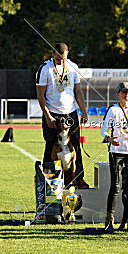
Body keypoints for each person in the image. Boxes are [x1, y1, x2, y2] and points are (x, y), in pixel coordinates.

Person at [36, 42, 89, 189]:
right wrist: (47, 116)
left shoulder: (73, 67)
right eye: (58, 59)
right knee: (50, 146)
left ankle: (78, 179)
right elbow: (40, 95)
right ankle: (49, 180)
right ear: (53, 54)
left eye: (64, 59)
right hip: (52, 113)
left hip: (70, 113)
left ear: (68, 54)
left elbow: (78, 92)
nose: (61, 62)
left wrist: (83, 112)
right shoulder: (45, 69)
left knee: (76, 147)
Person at [101, 82, 128, 230]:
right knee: (115, 186)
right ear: (119, 93)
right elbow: (104, 130)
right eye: (124, 92)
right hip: (117, 152)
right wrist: (109, 138)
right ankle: (109, 220)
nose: (127, 94)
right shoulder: (113, 110)